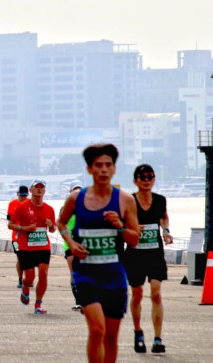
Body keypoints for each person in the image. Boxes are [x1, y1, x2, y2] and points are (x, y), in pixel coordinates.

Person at [57, 143, 140, 363]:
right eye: (98, 165)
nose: (103, 169)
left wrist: (120, 226)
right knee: (97, 330)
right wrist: (71, 243)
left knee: (111, 337)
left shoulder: (125, 200)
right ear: (89, 169)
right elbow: (62, 223)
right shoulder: (76, 199)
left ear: (114, 169)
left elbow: (134, 240)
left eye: (108, 165)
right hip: (86, 274)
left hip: (114, 276)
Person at [124, 164, 172, 354]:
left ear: (154, 179)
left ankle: (158, 339)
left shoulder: (160, 200)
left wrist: (166, 232)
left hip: (154, 252)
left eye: (150, 176)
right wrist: (131, 229)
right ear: (135, 180)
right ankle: (138, 332)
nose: (146, 180)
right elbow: (120, 223)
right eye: (142, 177)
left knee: (156, 293)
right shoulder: (128, 200)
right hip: (135, 254)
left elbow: (164, 218)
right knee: (136, 294)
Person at [8, 179, 56, 314]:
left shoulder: (49, 209)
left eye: (42, 188)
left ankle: (38, 304)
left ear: (45, 191)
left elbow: (53, 229)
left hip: (43, 246)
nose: (39, 190)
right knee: (30, 278)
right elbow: (10, 224)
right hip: (26, 247)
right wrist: (25, 228)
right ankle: (25, 286)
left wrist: (51, 225)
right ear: (31, 190)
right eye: (36, 187)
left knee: (44, 273)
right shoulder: (22, 207)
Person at [62, 180, 84, 311]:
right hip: (69, 245)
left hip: (84, 244)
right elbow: (61, 224)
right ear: (70, 193)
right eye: (74, 190)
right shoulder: (65, 208)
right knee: (74, 273)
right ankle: (78, 301)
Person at [7, 184, 29, 288]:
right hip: (16, 237)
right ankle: (20, 279)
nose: (23, 198)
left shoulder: (31, 204)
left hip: (29, 236)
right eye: (21, 196)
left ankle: (29, 278)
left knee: (29, 258)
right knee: (20, 258)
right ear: (17, 194)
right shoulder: (12, 204)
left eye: (25, 196)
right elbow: (10, 220)